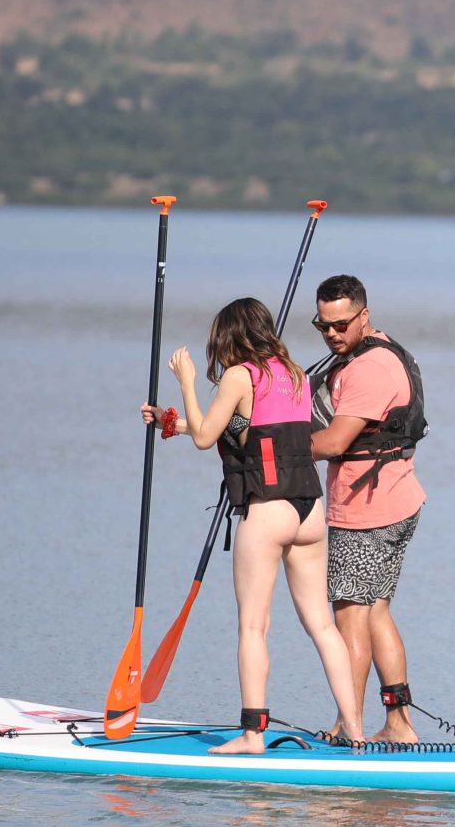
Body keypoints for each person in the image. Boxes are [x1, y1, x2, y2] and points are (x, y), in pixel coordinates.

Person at [142, 298, 369, 754]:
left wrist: (186, 383)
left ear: (229, 337)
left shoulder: (238, 375)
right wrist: (170, 422)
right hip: (308, 511)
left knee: (253, 628)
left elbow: (207, 437)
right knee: (323, 626)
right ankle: (356, 730)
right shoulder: (295, 373)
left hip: (267, 511)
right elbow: (244, 430)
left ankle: (252, 734)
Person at [306, 274, 427, 746]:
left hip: (367, 512)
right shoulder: (380, 349)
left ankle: (347, 726)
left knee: (350, 615)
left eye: (341, 324)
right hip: (398, 500)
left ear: (364, 315)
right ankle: (398, 723)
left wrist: (271, 450)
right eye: (323, 325)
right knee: (375, 611)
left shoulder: (367, 369)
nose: (332, 334)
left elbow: (335, 442)